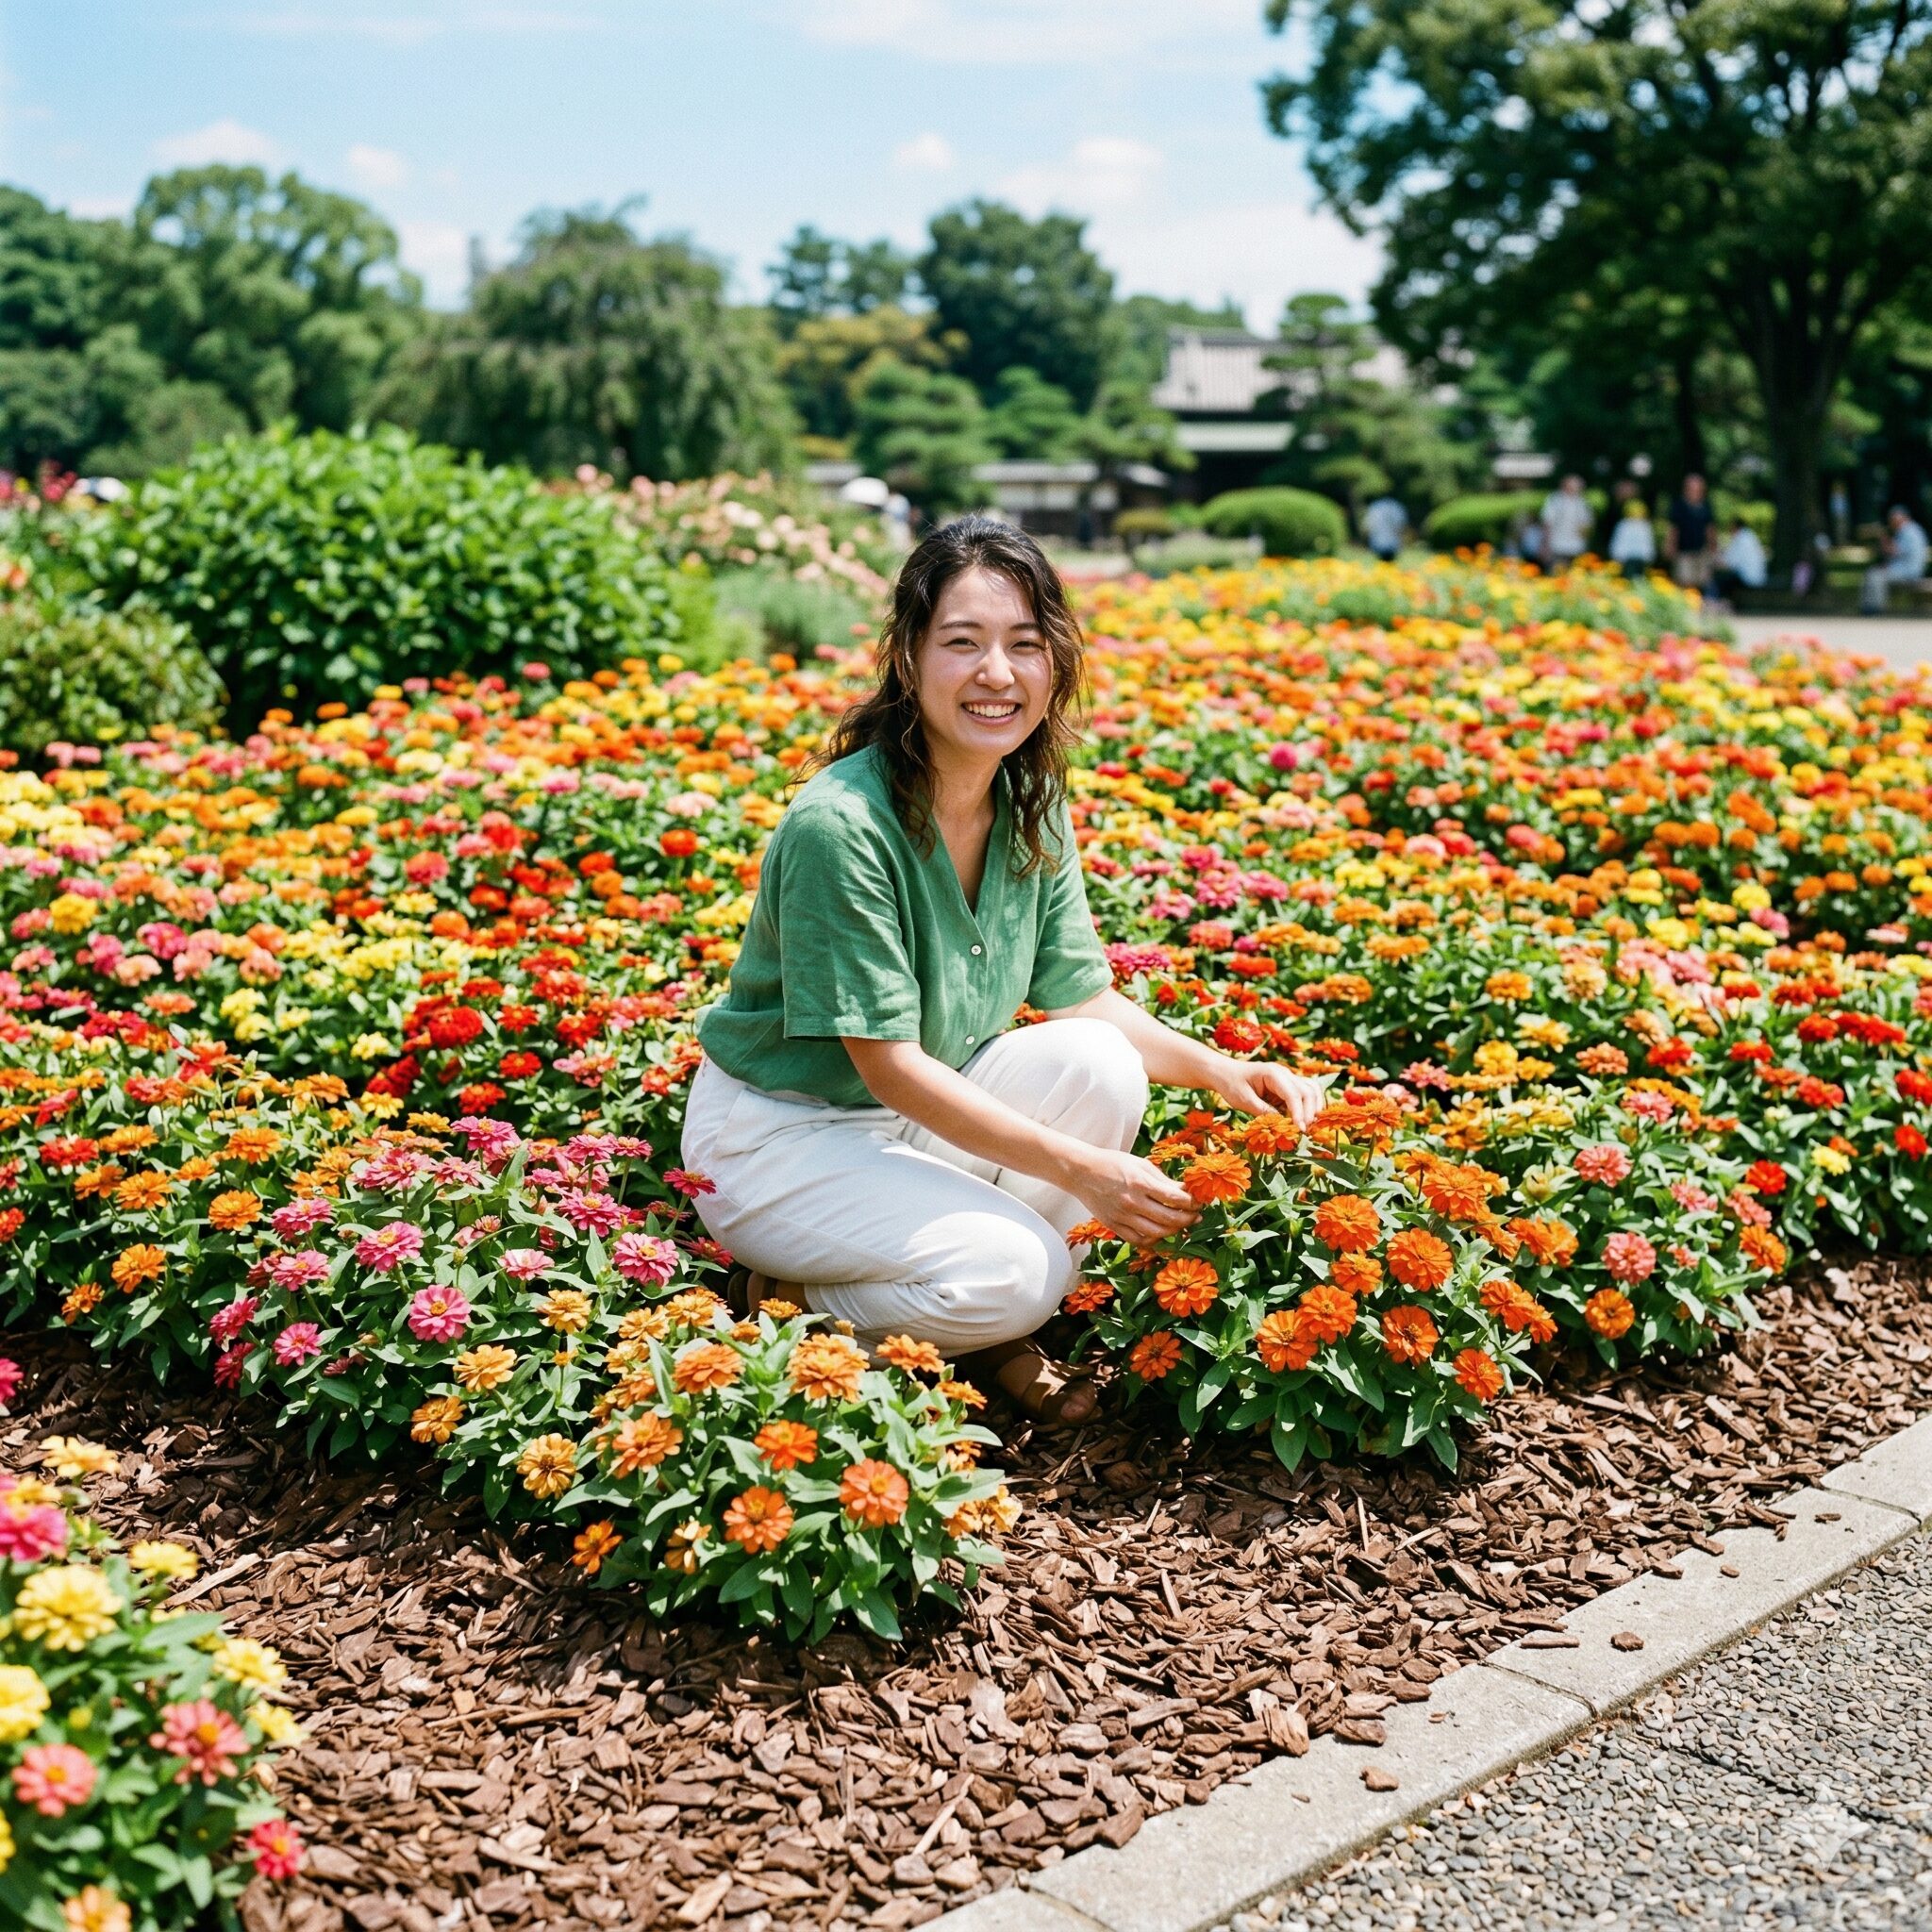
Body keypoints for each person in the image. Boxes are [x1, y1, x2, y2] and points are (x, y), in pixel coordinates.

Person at [681, 516, 1328, 1423]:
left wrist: (1225, 1072)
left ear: (1055, 662)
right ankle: (788, 1308)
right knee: (1020, 1267)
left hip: (907, 1115)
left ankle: (986, 1330)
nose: (998, 674)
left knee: (1098, 1061)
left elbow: (1083, 997)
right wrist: (1087, 1174)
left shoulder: (1026, 795)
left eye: (1025, 645)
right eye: (963, 643)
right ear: (907, 659)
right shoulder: (844, 827)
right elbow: (887, 1067)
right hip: (784, 1136)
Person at [1862, 506, 1930, 613]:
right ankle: (1870, 607)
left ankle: (1875, 608)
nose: (1891, 524)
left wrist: (1882, 539)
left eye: (1892, 521)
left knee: (1875, 575)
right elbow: (1901, 555)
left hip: (1909, 572)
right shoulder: (1913, 529)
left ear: (1900, 519)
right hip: (1909, 568)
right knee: (1874, 572)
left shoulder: (1908, 531)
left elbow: (1894, 551)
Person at [1666, 474, 1715, 591]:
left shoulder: (1706, 506)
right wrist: (1670, 545)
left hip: (1701, 550)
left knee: (1701, 581)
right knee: (1684, 580)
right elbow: (1673, 529)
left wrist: (1713, 546)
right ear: (1686, 489)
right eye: (1692, 488)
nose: (1695, 492)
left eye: (1698, 489)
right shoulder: (1678, 506)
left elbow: (1710, 528)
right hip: (1683, 551)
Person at [1541, 475, 1593, 570]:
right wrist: (1545, 545)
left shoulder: (1582, 502)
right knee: (1558, 574)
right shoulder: (1555, 500)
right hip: (1558, 545)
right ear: (1565, 486)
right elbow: (1547, 523)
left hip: (1577, 546)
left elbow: (1587, 524)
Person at [1712, 518, 1767, 608]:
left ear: (1735, 527)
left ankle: (1718, 603)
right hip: (1758, 576)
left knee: (1720, 578)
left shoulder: (1740, 539)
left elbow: (1730, 563)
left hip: (1748, 578)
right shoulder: (1750, 536)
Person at [1608, 499, 1657, 579]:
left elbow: (1648, 542)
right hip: (1626, 557)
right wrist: (1618, 554)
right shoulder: (1623, 525)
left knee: (1640, 578)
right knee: (1627, 577)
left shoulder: (1645, 526)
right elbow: (1620, 541)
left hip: (1641, 557)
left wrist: (1649, 554)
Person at [1361, 491, 1407, 563]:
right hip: (1393, 543)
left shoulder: (1375, 506)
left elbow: (1368, 526)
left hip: (1378, 543)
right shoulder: (1396, 506)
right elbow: (1401, 526)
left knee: (1381, 567)